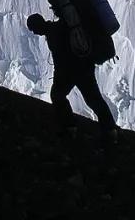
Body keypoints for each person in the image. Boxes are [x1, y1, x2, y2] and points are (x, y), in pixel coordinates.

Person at [27, 12, 118, 141]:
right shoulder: (58, 27)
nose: (35, 33)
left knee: (57, 95)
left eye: (33, 29)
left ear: (38, 25)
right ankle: (110, 130)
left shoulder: (53, 34)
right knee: (94, 99)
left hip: (72, 71)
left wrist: (59, 77)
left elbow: (61, 59)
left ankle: (70, 128)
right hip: (85, 67)